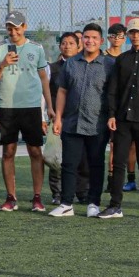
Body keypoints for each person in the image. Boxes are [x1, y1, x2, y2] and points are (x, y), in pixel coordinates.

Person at [0, 11, 53, 213]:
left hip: (32, 106)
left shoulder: (36, 49)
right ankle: (10, 197)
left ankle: (37, 197)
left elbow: (44, 78)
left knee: (35, 151)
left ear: (24, 27)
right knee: (8, 151)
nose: (13, 31)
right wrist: (3, 64)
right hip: (7, 107)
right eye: (10, 27)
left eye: (17, 27)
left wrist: (49, 106)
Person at [50, 22, 115, 217]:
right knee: (69, 164)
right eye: (86, 37)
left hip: (97, 123)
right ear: (82, 40)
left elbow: (113, 94)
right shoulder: (70, 63)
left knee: (96, 164)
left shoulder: (109, 64)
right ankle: (66, 203)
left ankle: (93, 203)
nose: (90, 41)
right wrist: (58, 118)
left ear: (101, 41)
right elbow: (62, 91)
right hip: (71, 122)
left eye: (94, 38)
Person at [99, 18, 139, 219]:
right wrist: (112, 114)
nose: (136, 36)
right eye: (132, 32)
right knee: (118, 162)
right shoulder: (121, 59)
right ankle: (115, 205)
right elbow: (113, 89)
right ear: (128, 35)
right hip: (122, 118)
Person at [45, 31, 88, 205]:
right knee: (55, 158)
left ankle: (82, 192)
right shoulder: (52, 68)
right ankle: (57, 192)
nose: (67, 46)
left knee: (82, 157)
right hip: (58, 119)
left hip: (80, 118)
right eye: (64, 43)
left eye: (71, 43)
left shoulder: (85, 66)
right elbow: (45, 94)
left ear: (79, 46)